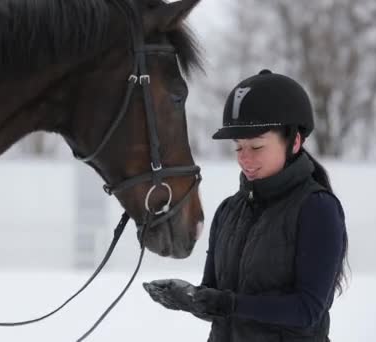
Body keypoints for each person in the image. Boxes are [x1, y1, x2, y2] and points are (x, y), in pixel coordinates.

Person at [144, 69, 348, 342]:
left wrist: (229, 304)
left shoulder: (317, 209)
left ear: (295, 141)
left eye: (257, 147)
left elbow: (307, 310)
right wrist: (191, 298)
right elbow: (217, 302)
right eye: (239, 148)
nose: (245, 158)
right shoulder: (228, 211)